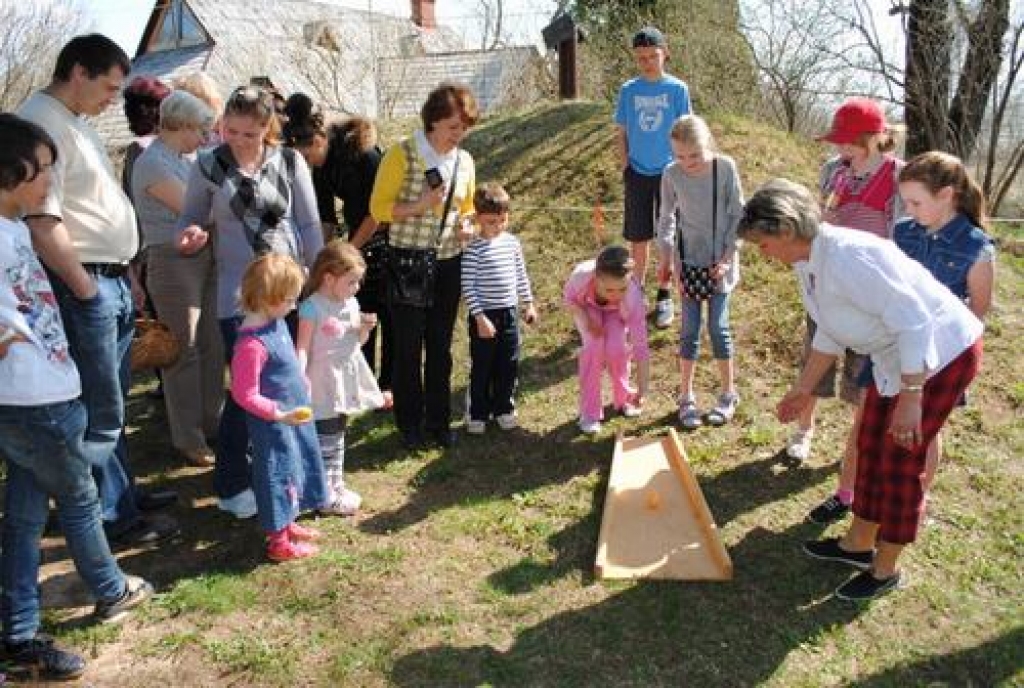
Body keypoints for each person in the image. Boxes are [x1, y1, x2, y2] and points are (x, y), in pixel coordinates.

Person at [741, 178, 983, 601]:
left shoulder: (851, 258)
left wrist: (912, 397)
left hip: (939, 356)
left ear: (784, 230)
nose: (762, 253)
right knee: (870, 445)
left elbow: (914, 322)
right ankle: (857, 544)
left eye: (762, 243)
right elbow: (831, 330)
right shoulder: (807, 261)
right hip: (897, 358)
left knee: (900, 461)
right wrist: (803, 388)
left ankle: (886, 567)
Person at [0, 113, 153, 681]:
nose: (49, 182)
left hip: (47, 389)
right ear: (13, 172)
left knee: (24, 513)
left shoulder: (15, 229)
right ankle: (112, 589)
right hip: (32, 399)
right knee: (81, 496)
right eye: (42, 171)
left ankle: (18, 629)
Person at [17, 33, 179, 548]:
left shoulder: (74, 121)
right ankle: (110, 515)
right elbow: (44, 219)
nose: (116, 98)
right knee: (97, 407)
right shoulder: (40, 123)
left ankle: (122, 493)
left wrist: (123, 272)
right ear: (79, 72)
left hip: (106, 276)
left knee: (112, 403)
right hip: (82, 282)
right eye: (110, 86)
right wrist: (86, 287)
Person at [177, 85, 324, 519]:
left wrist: (315, 280)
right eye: (231, 131)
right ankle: (232, 484)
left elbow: (310, 223)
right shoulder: (208, 165)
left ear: (267, 128)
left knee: (289, 387)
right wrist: (188, 235)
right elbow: (189, 218)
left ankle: (291, 477)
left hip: (287, 292)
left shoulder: (290, 161)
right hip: (239, 300)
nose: (238, 141)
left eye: (248, 134)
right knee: (248, 393)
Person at [795, 97, 905, 526]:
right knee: (815, 357)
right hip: (828, 282)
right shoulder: (833, 170)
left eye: (849, 144)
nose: (843, 151)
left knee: (864, 379)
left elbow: (900, 235)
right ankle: (803, 430)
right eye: (839, 144)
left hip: (870, 292)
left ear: (872, 139)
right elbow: (819, 218)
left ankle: (855, 451)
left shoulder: (897, 177)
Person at [369, 82, 478, 449]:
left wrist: (467, 223)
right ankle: (409, 424)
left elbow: (468, 208)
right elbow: (378, 208)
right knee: (407, 347)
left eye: (463, 128)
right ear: (432, 122)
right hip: (407, 262)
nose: (457, 135)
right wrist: (419, 205)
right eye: (451, 127)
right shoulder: (401, 155)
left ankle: (439, 420)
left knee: (441, 345)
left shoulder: (465, 161)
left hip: (449, 262)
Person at [131, 90, 224, 467]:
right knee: (182, 350)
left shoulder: (189, 158)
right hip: (172, 262)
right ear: (180, 125)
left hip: (206, 257)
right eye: (200, 130)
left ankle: (212, 423)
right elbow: (195, 208)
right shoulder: (152, 163)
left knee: (212, 344)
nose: (204, 139)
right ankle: (188, 436)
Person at [895, 151, 995, 494]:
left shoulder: (976, 246)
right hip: (894, 345)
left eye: (916, 202)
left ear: (946, 195)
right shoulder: (902, 233)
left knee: (925, 429)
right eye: (904, 202)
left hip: (943, 356)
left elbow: (977, 312)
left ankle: (916, 496)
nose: (908, 211)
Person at [282, 95, 393, 406]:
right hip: (355, 244)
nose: (306, 162)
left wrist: (349, 251)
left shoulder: (365, 154)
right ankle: (359, 383)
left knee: (387, 319)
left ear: (319, 140)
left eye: (307, 154)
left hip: (383, 237)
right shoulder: (320, 167)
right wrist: (321, 260)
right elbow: (325, 218)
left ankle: (388, 387)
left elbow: (379, 212)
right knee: (360, 313)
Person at [229, 253, 329, 561]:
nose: (293, 306)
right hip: (274, 425)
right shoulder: (251, 345)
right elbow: (244, 394)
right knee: (278, 474)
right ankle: (278, 540)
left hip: (293, 417)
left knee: (296, 467)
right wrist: (278, 413)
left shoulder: (277, 321)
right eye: (288, 300)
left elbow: (286, 364)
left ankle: (289, 522)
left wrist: (301, 380)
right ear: (267, 299)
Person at [655, 115, 744, 429]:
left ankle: (728, 393)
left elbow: (738, 215)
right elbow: (666, 219)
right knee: (689, 331)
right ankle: (686, 395)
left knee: (718, 329)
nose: (688, 162)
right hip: (687, 263)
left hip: (719, 262)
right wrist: (667, 258)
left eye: (694, 155)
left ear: (708, 145)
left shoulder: (725, 168)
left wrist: (728, 256)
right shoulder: (671, 174)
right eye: (680, 156)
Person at [296, 240, 383, 516]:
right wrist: (299, 377)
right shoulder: (312, 307)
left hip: (345, 376)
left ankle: (335, 486)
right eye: (351, 282)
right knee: (326, 436)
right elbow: (302, 346)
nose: (356, 288)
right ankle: (324, 494)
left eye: (358, 282)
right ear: (329, 278)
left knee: (338, 432)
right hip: (323, 380)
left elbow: (356, 340)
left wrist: (365, 329)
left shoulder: (351, 302)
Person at [614, 25, 692, 330]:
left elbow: (686, 132)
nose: (647, 62)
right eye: (641, 57)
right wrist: (625, 167)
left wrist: (684, 168)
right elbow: (620, 133)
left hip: (670, 174)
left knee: (667, 239)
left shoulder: (677, 90)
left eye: (653, 56)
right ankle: (635, 294)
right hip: (637, 173)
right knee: (638, 239)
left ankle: (664, 296)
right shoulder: (628, 90)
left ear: (665, 54)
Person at [460, 183, 538, 434]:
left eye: (503, 220)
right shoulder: (473, 248)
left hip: (509, 314)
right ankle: (477, 412)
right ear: (479, 219)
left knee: (509, 363)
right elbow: (468, 286)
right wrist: (480, 317)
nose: (498, 226)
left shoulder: (512, 243)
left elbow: (520, 275)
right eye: (492, 221)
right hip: (484, 316)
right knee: (483, 364)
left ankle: (504, 407)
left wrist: (528, 304)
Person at [563, 244, 650, 435]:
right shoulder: (581, 277)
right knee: (594, 348)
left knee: (616, 348)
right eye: (609, 290)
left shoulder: (632, 297)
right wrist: (586, 319)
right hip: (587, 308)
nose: (616, 295)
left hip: (616, 313)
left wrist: (643, 390)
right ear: (596, 277)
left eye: (622, 289)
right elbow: (569, 299)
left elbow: (641, 347)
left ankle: (624, 398)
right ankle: (589, 413)